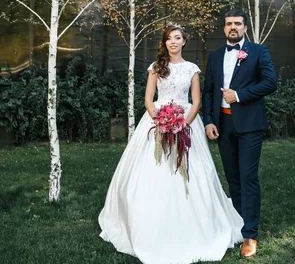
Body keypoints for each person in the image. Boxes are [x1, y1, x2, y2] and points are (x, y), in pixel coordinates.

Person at [98, 25, 243, 264]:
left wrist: (183, 124)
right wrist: (161, 121)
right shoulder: (156, 67)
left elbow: (196, 102)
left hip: (186, 121)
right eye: (168, 39)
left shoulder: (192, 69)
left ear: (184, 41)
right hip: (158, 120)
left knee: (193, 172)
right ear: (164, 43)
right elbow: (148, 98)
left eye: (177, 38)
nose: (172, 42)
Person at [202, 9, 277, 258]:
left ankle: (250, 235)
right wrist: (209, 121)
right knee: (233, 178)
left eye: (237, 23)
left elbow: (270, 82)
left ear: (245, 27)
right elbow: (209, 92)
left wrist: (239, 95)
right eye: (228, 24)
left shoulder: (258, 52)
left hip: (249, 125)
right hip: (223, 126)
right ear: (224, 28)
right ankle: (237, 226)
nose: (233, 27)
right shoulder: (214, 57)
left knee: (248, 177)